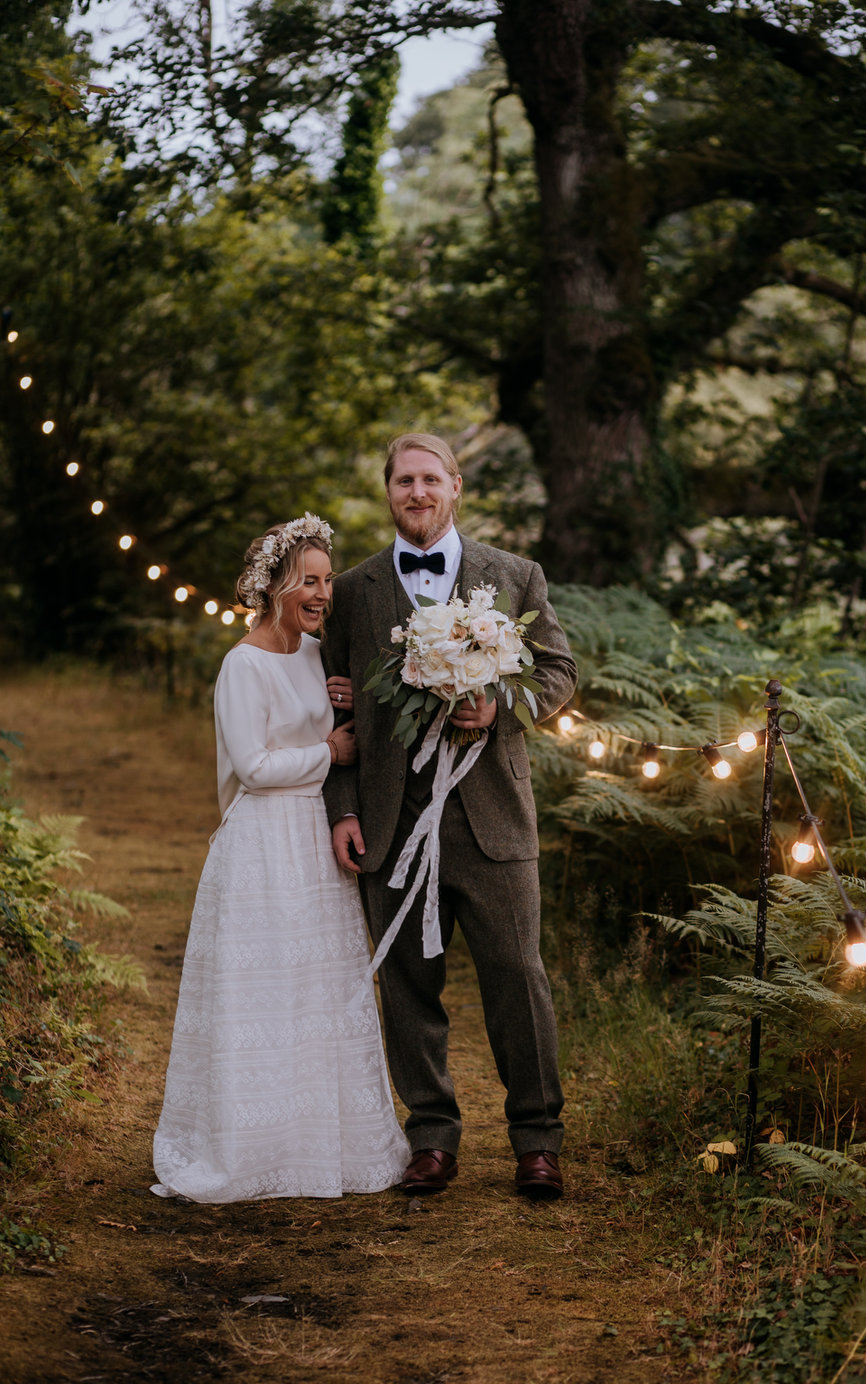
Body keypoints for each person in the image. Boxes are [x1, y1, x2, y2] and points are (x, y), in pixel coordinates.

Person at [323, 434, 577, 1200]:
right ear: (389, 491)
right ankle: (430, 1137)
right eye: (404, 480)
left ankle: (537, 1141)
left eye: (431, 479)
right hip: (391, 821)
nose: (418, 492)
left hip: (491, 819)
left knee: (518, 979)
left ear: (456, 487)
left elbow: (560, 671)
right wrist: (341, 810)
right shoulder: (353, 591)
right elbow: (325, 709)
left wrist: (501, 704)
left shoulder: (515, 575)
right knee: (406, 985)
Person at [151, 513, 410, 1202]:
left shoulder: (317, 654)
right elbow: (256, 766)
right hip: (263, 842)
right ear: (274, 587)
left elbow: (319, 713)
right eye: (309, 582)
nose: (323, 593)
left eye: (327, 580)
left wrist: (341, 701)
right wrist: (329, 751)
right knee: (262, 992)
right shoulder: (242, 663)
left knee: (318, 992)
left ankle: (318, 1139)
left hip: (315, 841)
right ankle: (249, 1145)